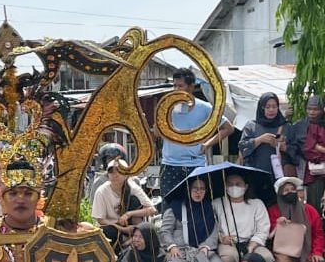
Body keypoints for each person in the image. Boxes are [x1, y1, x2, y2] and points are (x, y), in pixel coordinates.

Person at [159, 68, 231, 199]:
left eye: (180, 86)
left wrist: (207, 144)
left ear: (191, 87)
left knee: (197, 205)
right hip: (170, 165)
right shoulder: (166, 107)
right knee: (170, 205)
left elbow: (228, 128)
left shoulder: (204, 107)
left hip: (195, 165)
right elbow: (157, 133)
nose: (176, 89)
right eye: (174, 86)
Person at [212, 174, 274, 262]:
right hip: (228, 243)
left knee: (266, 258)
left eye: (238, 184)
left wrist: (252, 245)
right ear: (225, 187)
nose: (234, 187)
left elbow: (263, 229)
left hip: (253, 242)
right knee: (228, 259)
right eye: (230, 184)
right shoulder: (217, 203)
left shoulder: (257, 204)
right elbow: (212, 226)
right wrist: (221, 238)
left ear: (246, 186)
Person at [90, 159, 157, 246]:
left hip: (130, 224)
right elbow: (101, 220)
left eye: (119, 171)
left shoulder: (132, 187)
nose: (115, 175)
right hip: (112, 226)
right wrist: (123, 229)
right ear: (107, 175)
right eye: (111, 172)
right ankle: (125, 242)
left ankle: (135, 236)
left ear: (126, 175)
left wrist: (129, 214)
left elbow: (152, 210)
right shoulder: (101, 191)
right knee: (109, 231)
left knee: (135, 200)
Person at [238, 92, 289, 179]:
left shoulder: (285, 126)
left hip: (280, 175)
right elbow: (242, 146)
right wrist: (260, 140)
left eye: (274, 107)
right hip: (255, 173)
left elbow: (296, 150)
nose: (271, 110)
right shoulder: (252, 126)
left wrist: (282, 147)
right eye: (267, 107)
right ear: (261, 108)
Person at [299, 96, 325, 210]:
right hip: (315, 172)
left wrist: (319, 148)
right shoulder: (302, 125)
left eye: (315, 109)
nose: (312, 112)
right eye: (309, 109)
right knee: (315, 205)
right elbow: (308, 148)